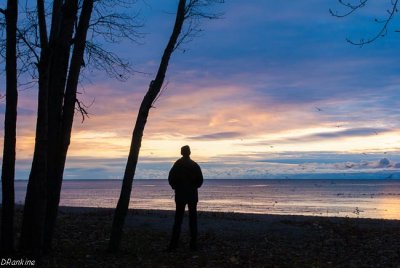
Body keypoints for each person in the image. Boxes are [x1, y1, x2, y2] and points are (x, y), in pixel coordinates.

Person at [168, 145, 203, 251]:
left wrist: (176, 187)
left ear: (181, 153)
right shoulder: (194, 165)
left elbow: (170, 178)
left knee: (178, 220)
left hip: (181, 195)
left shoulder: (177, 164)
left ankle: (174, 244)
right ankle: (193, 245)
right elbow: (200, 181)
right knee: (192, 220)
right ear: (189, 153)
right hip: (191, 195)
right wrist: (193, 187)